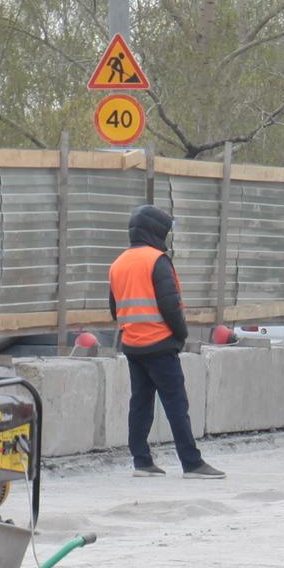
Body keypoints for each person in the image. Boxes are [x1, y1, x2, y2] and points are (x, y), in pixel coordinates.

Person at [108, 203, 223, 478]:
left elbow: (115, 308)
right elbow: (170, 305)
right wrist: (181, 334)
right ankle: (192, 463)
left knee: (140, 404)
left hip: (132, 345)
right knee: (176, 404)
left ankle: (142, 462)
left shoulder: (118, 263)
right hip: (160, 343)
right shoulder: (157, 260)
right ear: (156, 231)